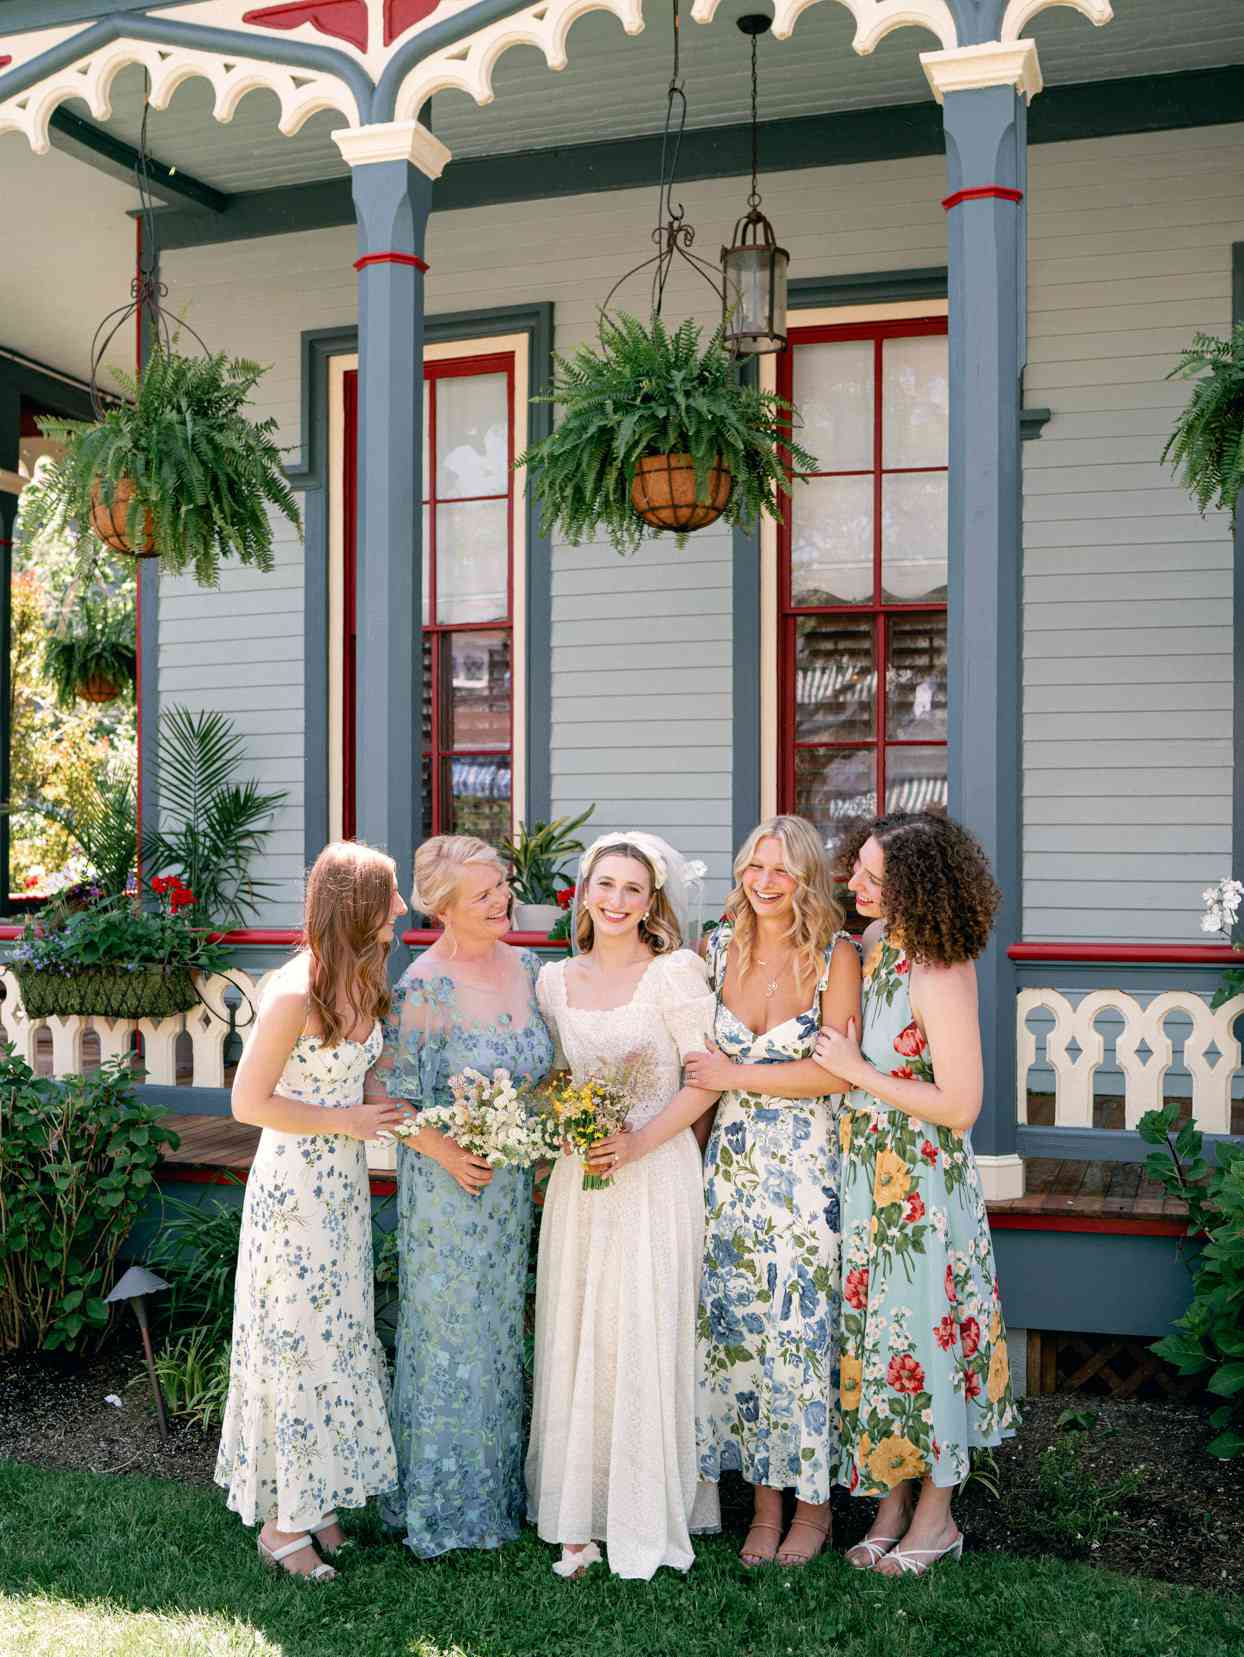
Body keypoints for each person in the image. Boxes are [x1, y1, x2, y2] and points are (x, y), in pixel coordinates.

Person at [813, 810, 1020, 1577]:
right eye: (858, 867)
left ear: (917, 885)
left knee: (927, 1341)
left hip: (922, 1185)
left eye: (874, 875)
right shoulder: (873, 946)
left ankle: (938, 1515)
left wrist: (860, 1072)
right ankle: (890, 1502)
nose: (856, 883)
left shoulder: (941, 966)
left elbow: (961, 1104)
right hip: (869, 1176)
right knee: (885, 1340)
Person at [527, 832, 721, 1580]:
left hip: (656, 1168)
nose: (615, 900)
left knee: (643, 1323)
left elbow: (705, 1080)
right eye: (604, 885)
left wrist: (637, 1140)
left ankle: (643, 1508)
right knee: (584, 1326)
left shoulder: (674, 974)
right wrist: (572, 1123)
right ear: (585, 892)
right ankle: (580, 1513)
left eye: (632, 890)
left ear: (652, 904)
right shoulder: (554, 982)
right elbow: (555, 1076)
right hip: (584, 1176)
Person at [216, 841, 407, 1581]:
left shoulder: (362, 976)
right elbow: (247, 1102)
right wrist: (347, 1122)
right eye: (390, 896)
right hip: (293, 1192)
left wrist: (381, 1108)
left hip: (341, 1194)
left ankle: (315, 1496)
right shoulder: (296, 988)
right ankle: (280, 1523)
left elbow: (351, 1079)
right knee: (294, 1342)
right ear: (357, 906)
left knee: (336, 1334)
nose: (401, 907)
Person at [369, 834, 555, 1557]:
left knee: (500, 1332)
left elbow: (543, 1074)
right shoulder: (425, 984)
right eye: (483, 894)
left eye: (502, 886)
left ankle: (497, 1491)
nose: (501, 899)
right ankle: (442, 1501)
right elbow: (392, 1092)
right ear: (442, 906)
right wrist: (448, 1149)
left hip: (510, 1188)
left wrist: (535, 1144)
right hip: (446, 1193)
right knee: (451, 1336)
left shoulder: (532, 967)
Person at [684, 815, 860, 1567]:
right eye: (756, 866)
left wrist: (737, 1077)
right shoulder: (715, 947)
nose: (764, 882)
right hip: (730, 1169)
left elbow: (835, 1070)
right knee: (739, 1334)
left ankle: (814, 1507)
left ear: (808, 878)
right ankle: (761, 1505)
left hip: (807, 1172)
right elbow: (692, 1062)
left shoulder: (835, 954)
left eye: (782, 870)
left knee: (801, 1333)